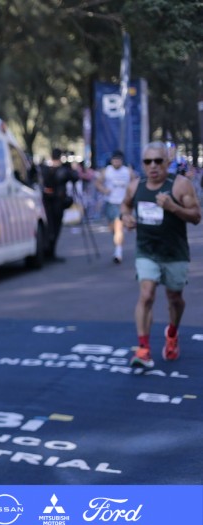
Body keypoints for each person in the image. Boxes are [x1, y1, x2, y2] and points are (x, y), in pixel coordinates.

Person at [121, 141, 201, 368]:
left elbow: (196, 216)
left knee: (174, 298)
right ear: (143, 164)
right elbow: (125, 205)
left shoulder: (180, 185)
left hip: (175, 252)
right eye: (148, 162)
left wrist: (173, 208)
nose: (153, 166)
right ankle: (143, 349)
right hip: (146, 251)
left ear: (167, 162)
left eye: (158, 161)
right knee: (146, 295)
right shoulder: (135, 186)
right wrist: (125, 217)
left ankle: (172, 333)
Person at [95, 150, 137, 263]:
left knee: (119, 227)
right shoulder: (106, 171)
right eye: (114, 160)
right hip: (110, 202)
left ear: (122, 161)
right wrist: (104, 190)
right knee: (112, 228)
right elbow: (98, 183)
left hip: (123, 203)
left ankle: (118, 252)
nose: (116, 162)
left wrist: (131, 197)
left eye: (118, 160)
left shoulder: (128, 171)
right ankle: (118, 241)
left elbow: (135, 183)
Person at [39, 148, 79, 260]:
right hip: (57, 202)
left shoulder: (44, 168)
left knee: (49, 226)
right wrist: (71, 167)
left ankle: (48, 251)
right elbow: (75, 177)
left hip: (47, 202)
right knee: (55, 227)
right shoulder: (63, 170)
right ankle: (50, 251)